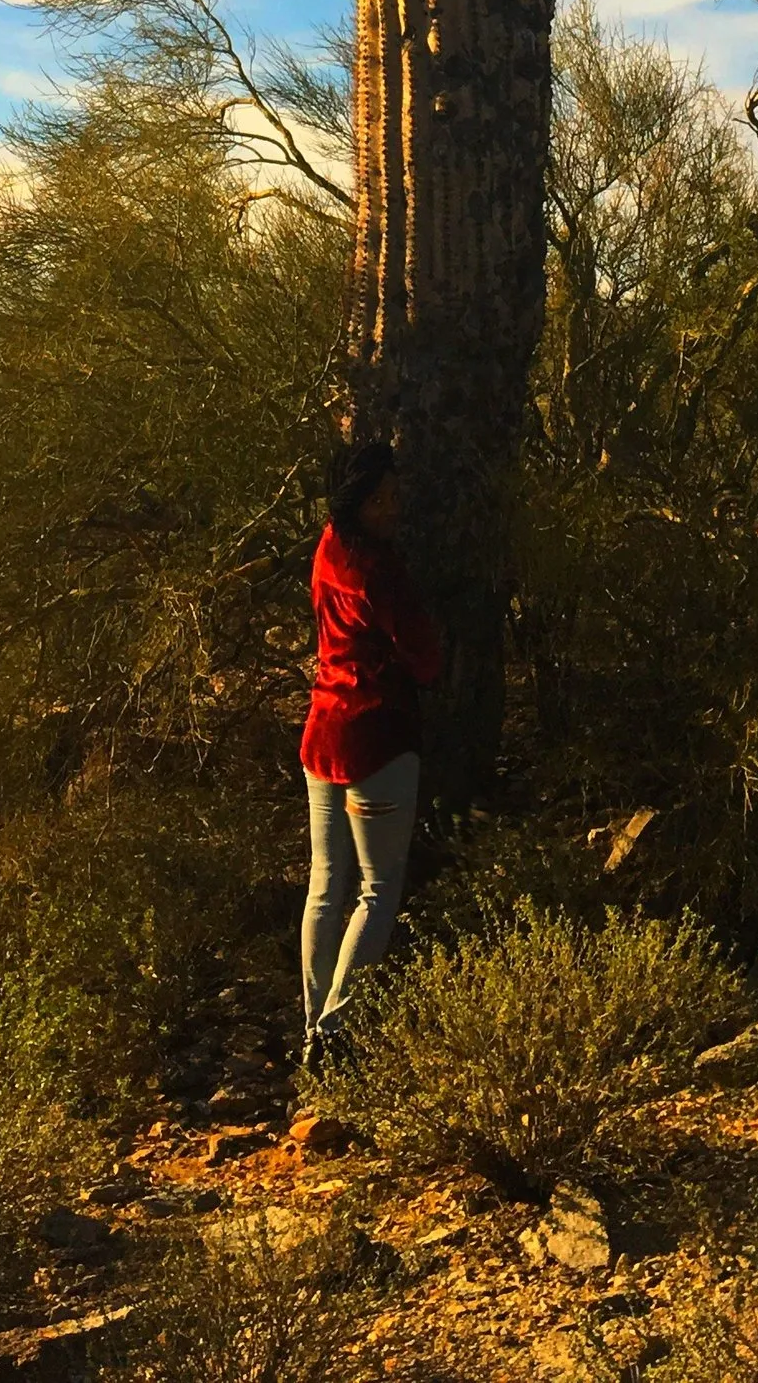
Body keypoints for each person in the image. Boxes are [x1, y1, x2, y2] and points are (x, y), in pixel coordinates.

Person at [298, 435, 441, 1061]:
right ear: (360, 500)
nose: (394, 507)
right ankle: (334, 1035)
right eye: (383, 498)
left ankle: (312, 1025)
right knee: (379, 889)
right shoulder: (382, 572)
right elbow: (427, 659)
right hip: (376, 735)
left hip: (322, 730)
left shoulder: (328, 547)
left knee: (326, 886)